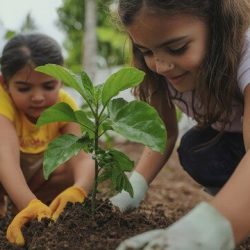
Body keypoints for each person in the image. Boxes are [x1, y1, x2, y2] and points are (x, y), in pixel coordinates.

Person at [108, 0, 250, 249]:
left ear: (217, 25)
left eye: (177, 48)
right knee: (197, 148)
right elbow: (161, 134)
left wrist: (209, 231)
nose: (161, 66)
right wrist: (134, 188)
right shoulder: (160, 71)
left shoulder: (246, 50)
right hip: (234, 146)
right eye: (147, 52)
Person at [0, 33, 94, 246]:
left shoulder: (65, 106)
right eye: (24, 88)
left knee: (70, 170)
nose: (38, 97)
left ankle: (40, 205)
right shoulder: (2, 102)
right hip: (7, 172)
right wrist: (29, 204)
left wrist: (79, 190)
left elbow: (83, 158)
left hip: (37, 178)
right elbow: (4, 157)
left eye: (49, 86)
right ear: (5, 83)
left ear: (61, 80)